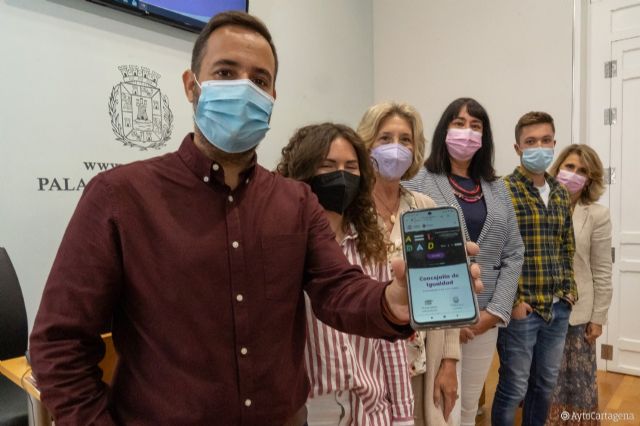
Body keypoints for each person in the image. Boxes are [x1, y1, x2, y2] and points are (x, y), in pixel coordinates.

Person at [27, 12, 425, 425]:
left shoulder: (295, 202)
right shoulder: (120, 197)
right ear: (191, 85)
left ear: (272, 96)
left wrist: (389, 302)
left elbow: (338, 289)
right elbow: (59, 344)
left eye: (259, 80)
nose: (244, 89)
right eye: (225, 72)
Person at [277, 123, 414, 426]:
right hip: (310, 410)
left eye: (351, 167)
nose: (341, 176)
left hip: (369, 409)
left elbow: (389, 342)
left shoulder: (370, 243)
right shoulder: (284, 245)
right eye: (328, 166)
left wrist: (403, 415)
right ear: (303, 173)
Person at [403, 98, 524, 426]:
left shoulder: (497, 188)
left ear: (484, 136)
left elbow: (514, 251)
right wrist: (451, 320)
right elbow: (410, 253)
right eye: (459, 123)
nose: (466, 132)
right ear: (445, 130)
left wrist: (495, 312)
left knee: (469, 408)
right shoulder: (417, 181)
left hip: (485, 321)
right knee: (440, 410)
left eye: (475, 126)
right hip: (438, 325)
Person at [357, 102, 460, 426]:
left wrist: (449, 362)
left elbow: (448, 289)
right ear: (366, 145)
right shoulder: (351, 211)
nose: (396, 148)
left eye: (405, 140)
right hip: (365, 364)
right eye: (385, 138)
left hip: (418, 360)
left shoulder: (424, 207)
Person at [492, 111, 577, 426]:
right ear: (517, 147)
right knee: (514, 387)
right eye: (530, 141)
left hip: (557, 308)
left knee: (545, 385)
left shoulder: (560, 193)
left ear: (554, 144)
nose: (538, 147)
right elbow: (494, 253)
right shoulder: (502, 191)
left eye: (545, 140)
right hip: (522, 311)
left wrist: (569, 291)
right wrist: (513, 302)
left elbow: (566, 245)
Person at [546, 145, 613, 425]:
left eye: (582, 170)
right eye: (570, 167)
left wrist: (598, 318)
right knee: (545, 383)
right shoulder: (540, 204)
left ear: (589, 179)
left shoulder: (597, 214)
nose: (574, 174)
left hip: (577, 315)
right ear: (558, 168)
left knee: (576, 386)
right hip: (540, 311)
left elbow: (602, 270)